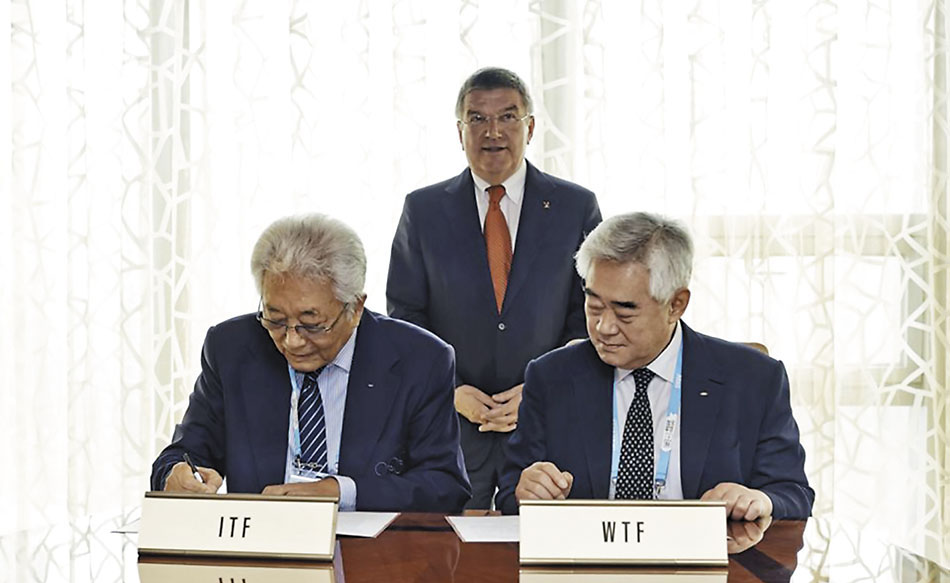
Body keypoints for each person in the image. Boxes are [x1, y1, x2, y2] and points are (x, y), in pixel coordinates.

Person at [495, 212, 814, 520]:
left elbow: (793, 494)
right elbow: (509, 494)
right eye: (594, 305)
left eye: (624, 312)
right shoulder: (551, 377)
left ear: (676, 304)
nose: (604, 327)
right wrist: (526, 491)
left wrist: (759, 500)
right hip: (586, 554)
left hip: (704, 555)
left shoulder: (754, 379)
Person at [150, 214, 471, 512]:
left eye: (312, 324)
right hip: (263, 546)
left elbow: (444, 486)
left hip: (373, 550)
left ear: (355, 308)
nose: (292, 340)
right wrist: (176, 475)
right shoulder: (232, 348)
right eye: (276, 319)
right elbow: (185, 453)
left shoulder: (420, 359)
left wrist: (341, 492)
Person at [386, 66, 602, 508]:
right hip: (453, 425)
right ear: (460, 131)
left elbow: (590, 314)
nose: (493, 132)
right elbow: (406, 316)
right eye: (477, 119)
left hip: (548, 424)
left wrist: (540, 388)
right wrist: (451, 390)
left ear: (531, 127)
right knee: (453, 546)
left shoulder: (575, 207)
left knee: (542, 542)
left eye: (507, 117)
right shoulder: (424, 210)